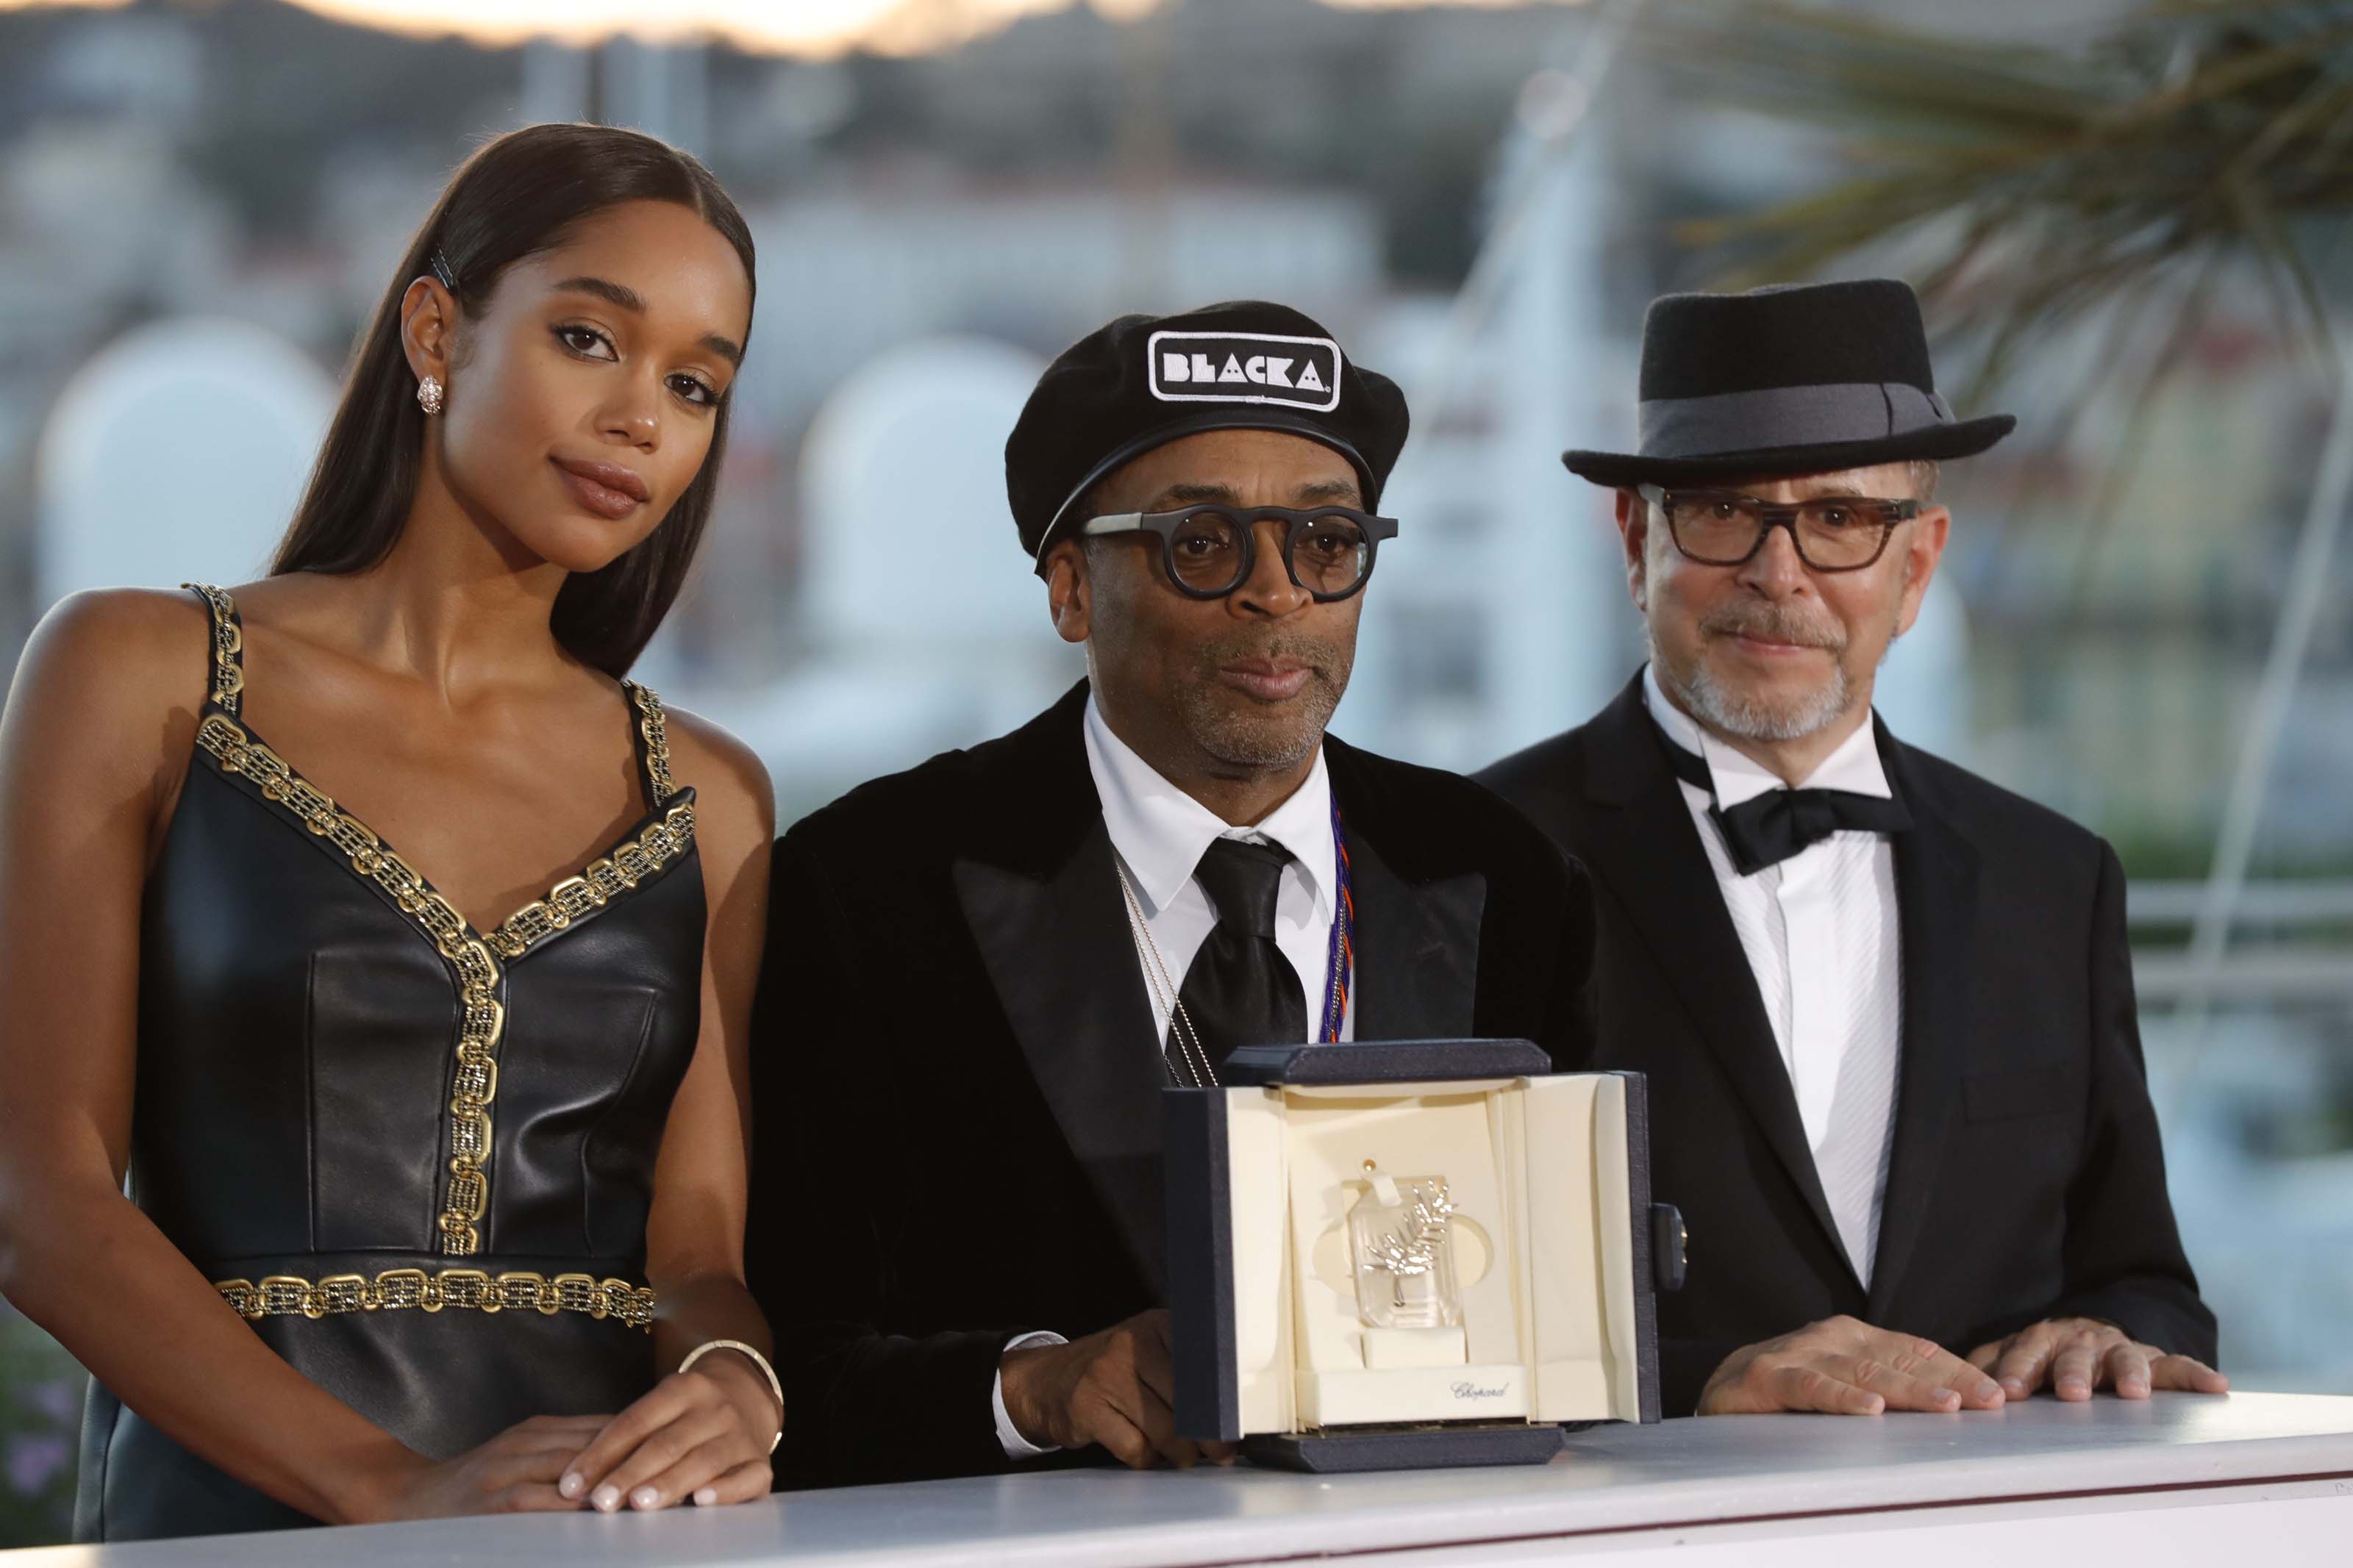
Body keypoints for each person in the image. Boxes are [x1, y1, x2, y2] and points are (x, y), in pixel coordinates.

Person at [0, 123, 782, 1541]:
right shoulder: (138, 673)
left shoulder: (711, 795)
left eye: (694, 384)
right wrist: (386, 1488)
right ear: (437, 326)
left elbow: (694, 1251)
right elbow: (38, 1197)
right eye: (589, 339)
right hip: (240, 1522)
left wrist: (735, 1382)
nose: (641, 420)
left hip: (599, 1528)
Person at [746, 301, 1595, 1486]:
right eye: (1203, 541)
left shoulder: (1504, 871)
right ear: (1070, 590)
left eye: (1327, 541)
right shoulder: (869, 888)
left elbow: (1573, 1315)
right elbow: (775, 1361)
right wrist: (1029, 1386)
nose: (1277, 593)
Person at [1479, 278, 2224, 1420]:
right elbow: (1402, 1311)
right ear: (1636, 540)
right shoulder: (1465, 867)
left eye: (1839, 519)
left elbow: (2149, 1283)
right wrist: (1700, 1379)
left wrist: (2110, 1329)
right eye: (1725, 512)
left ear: (1916, 567)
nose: (1781, 576)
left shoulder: (2056, 882)